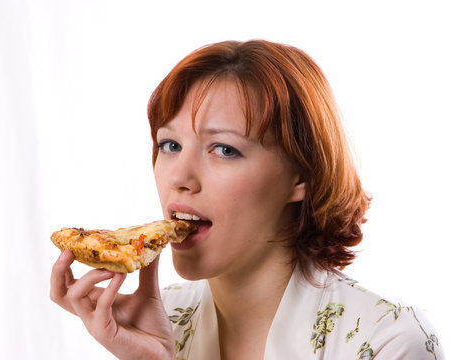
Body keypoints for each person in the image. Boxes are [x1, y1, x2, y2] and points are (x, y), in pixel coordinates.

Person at [50, 40, 444, 359]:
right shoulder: (159, 319)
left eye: (224, 150)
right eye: (170, 144)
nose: (180, 178)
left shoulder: (385, 341)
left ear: (301, 176)